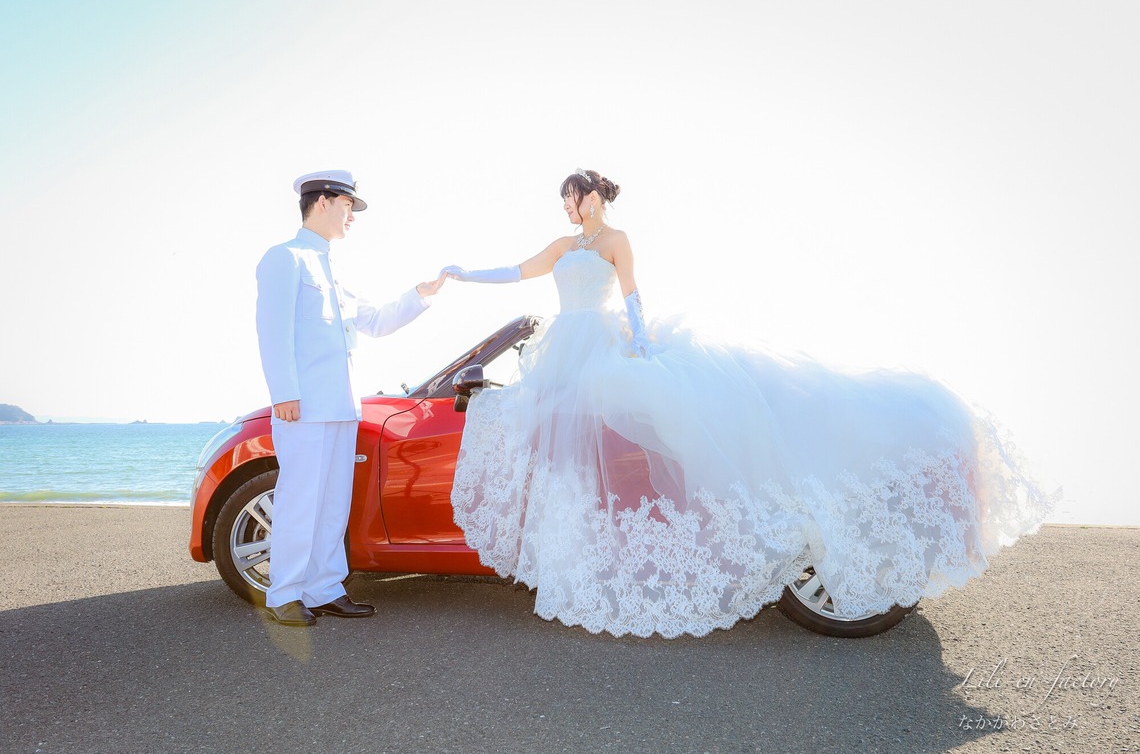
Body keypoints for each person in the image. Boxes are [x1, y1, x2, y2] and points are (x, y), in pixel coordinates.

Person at [440, 168, 1057, 639]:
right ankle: (571, 553)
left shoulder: (617, 241)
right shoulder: (561, 245)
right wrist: (463, 273)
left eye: (569, 198)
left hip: (598, 348)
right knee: (548, 445)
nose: (566, 209)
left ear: (589, 197)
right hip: (564, 353)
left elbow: (631, 298)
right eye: (564, 204)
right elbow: (518, 271)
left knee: (628, 427)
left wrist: (645, 347)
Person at [256, 169, 444, 627]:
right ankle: (283, 594)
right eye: (348, 206)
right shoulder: (286, 259)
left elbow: (375, 321)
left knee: (332, 505)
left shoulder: (335, 269)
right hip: (303, 408)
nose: (352, 217)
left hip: (341, 407)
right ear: (322, 202)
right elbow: (272, 331)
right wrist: (284, 394)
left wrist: (419, 296)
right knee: (301, 502)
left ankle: (323, 589)